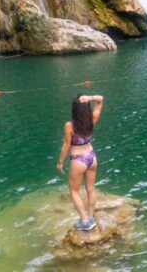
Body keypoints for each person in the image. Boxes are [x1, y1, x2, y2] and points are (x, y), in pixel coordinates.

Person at [56, 94, 104, 230]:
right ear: (87, 107)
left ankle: (84, 222)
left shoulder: (69, 125)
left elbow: (66, 145)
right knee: (90, 189)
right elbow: (101, 99)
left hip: (78, 160)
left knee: (74, 191)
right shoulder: (92, 119)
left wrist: (60, 162)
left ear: (74, 109)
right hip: (91, 156)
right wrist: (91, 97)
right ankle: (90, 217)